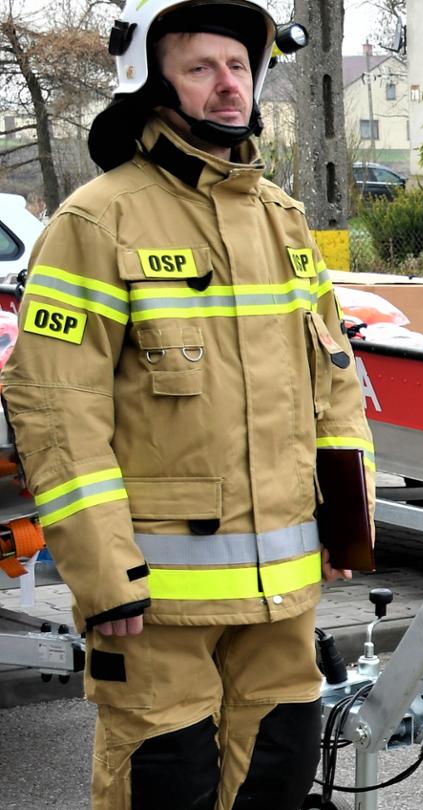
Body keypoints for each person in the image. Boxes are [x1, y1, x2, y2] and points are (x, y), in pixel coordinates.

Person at [0, 1, 370, 807]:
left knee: (277, 775)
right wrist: (105, 576)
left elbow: (335, 380)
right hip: (155, 600)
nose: (228, 85)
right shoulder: (97, 221)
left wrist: (346, 521)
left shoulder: (283, 221)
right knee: (167, 785)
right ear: (150, 83)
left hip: (282, 597)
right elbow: (56, 409)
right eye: (201, 68)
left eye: (238, 66)